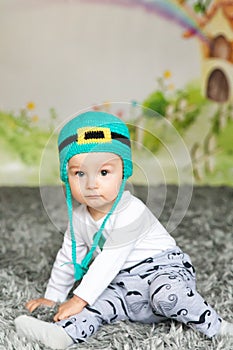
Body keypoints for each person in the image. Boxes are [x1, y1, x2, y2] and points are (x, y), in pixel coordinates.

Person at [15, 111, 233, 349]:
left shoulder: (132, 211)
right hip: (122, 285)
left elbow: (111, 258)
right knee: (95, 306)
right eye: (79, 173)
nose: (91, 184)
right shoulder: (78, 218)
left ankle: (219, 328)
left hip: (161, 270)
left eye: (104, 172)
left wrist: (78, 298)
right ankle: (61, 335)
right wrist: (54, 297)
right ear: (65, 178)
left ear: (124, 172)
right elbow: (69, 255)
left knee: (167, 295)